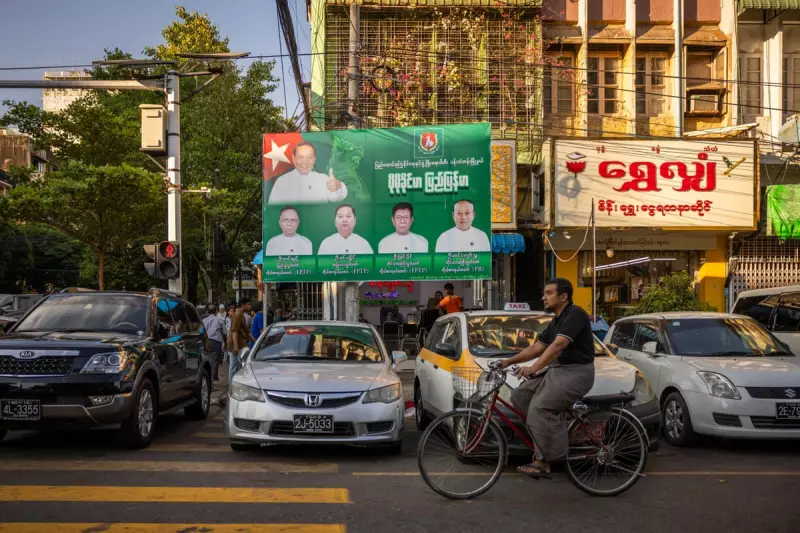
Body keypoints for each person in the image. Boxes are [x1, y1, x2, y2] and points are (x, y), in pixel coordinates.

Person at [498, 278, 596, 479]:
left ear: (563, 296)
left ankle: (546, 460)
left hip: (577, 373)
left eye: (548, 293)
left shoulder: (575, 314)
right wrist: (507, 362)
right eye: (544, 293)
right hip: (558, 371)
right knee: (520, 396)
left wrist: (534, 367)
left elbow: (558, 345)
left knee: (539, 408)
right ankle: (552, 434)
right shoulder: (556, 321)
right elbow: (537, 347)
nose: (543, 297)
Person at [267, 141, 348, 205]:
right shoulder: (282, 182)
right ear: (293, 158)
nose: (305, 161)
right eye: (301, 157)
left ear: (314, 160)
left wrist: (338, 185)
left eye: (309, 157)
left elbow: (338, 197)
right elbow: (273, 209)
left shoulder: (322, 179)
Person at [227, 299, 255, 382]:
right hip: (235, 345)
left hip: (241, 344)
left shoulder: (242, 315)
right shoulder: (237, 315)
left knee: (239, 367)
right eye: (248, 304)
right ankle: (231, 387)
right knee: (234, 367)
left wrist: (256, 342)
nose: (250, 306)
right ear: (243, 305)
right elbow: (234, 331)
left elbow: (248, 332)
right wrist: (235, 346)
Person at [202, 304, 226, 384]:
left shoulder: (204, 321)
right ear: (216, 311)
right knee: (215, 359)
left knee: (207, 359)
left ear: (207, 312)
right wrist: (225, 342)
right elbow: (224, 333)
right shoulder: (220, 320)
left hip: (206, 341)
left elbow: (202, 333)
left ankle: (209, 377)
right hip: (216, 342)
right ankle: (213, 378)